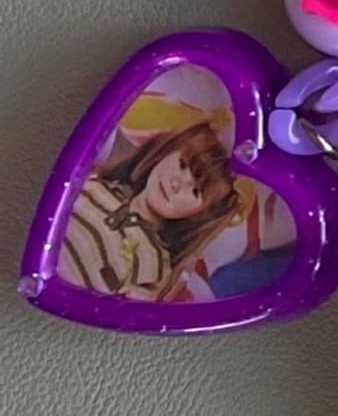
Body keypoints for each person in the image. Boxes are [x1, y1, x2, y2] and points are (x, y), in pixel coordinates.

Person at [57, 115, 278, 304]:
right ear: (168, 150)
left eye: (195, 191)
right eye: (182, 164)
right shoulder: (96, 183)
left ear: (200, 214)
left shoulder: (155, 265)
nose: (177, 183)